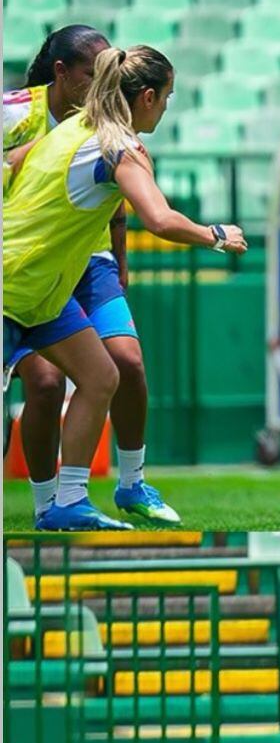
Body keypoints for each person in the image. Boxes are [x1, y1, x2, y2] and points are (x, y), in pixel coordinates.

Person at [4, 46, 247, 532]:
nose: (166, 108)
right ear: (148, 97)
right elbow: (159, 219)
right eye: (168, 98)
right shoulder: (119, 147)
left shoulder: (74, 128)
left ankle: (69, 502)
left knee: (101, 376)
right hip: (11, 286)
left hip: (42, 296)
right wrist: (215, 235)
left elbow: (13, 163)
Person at [4, 27, 177, 526]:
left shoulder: (107, 123)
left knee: (125, 363)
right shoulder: (17, 114)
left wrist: (118, 261)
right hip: (30, 260)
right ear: (62, 74)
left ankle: (130, 483)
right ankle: (48, 506)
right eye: (91, 70)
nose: (105, 76)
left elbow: (119, 201)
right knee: (45, 383)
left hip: (88, 258)